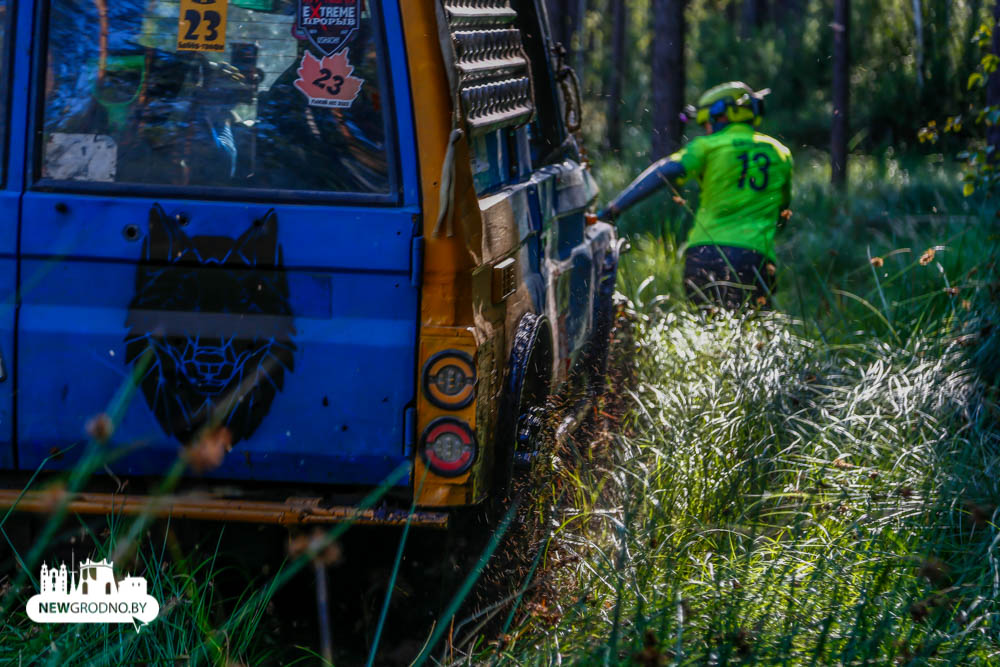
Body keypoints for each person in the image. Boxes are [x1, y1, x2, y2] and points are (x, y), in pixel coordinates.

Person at [599, 81, 793, 309]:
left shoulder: (706, 146)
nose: (706, 129)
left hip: (704, 256)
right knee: (752, 332)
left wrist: (614, 209)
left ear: (721, 115)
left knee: (707, 330)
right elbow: (783, 213)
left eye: (707, 123)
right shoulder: (780, 152)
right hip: (755, 259)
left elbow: (666, 170)